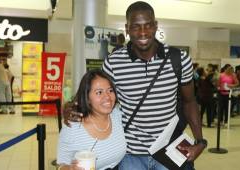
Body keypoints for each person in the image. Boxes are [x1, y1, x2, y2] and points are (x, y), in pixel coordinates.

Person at [64, 1, 206, 170]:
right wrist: (72, 106)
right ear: (127, 28)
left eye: (148, 25)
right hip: (130, 154)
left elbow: (190, 101)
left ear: (155, 26)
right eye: (136, 26)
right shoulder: (114, 62)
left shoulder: (178, 59)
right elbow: (97, 95)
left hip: (169, 150)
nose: (143, 32)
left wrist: (200, 141)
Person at [57, 69, 126, 170]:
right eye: (99, 92)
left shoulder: (117, 115)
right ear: (87, 97)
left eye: (110, 90)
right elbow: (61, 165)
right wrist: (71, 168)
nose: (107, 96)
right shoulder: (73, 126)